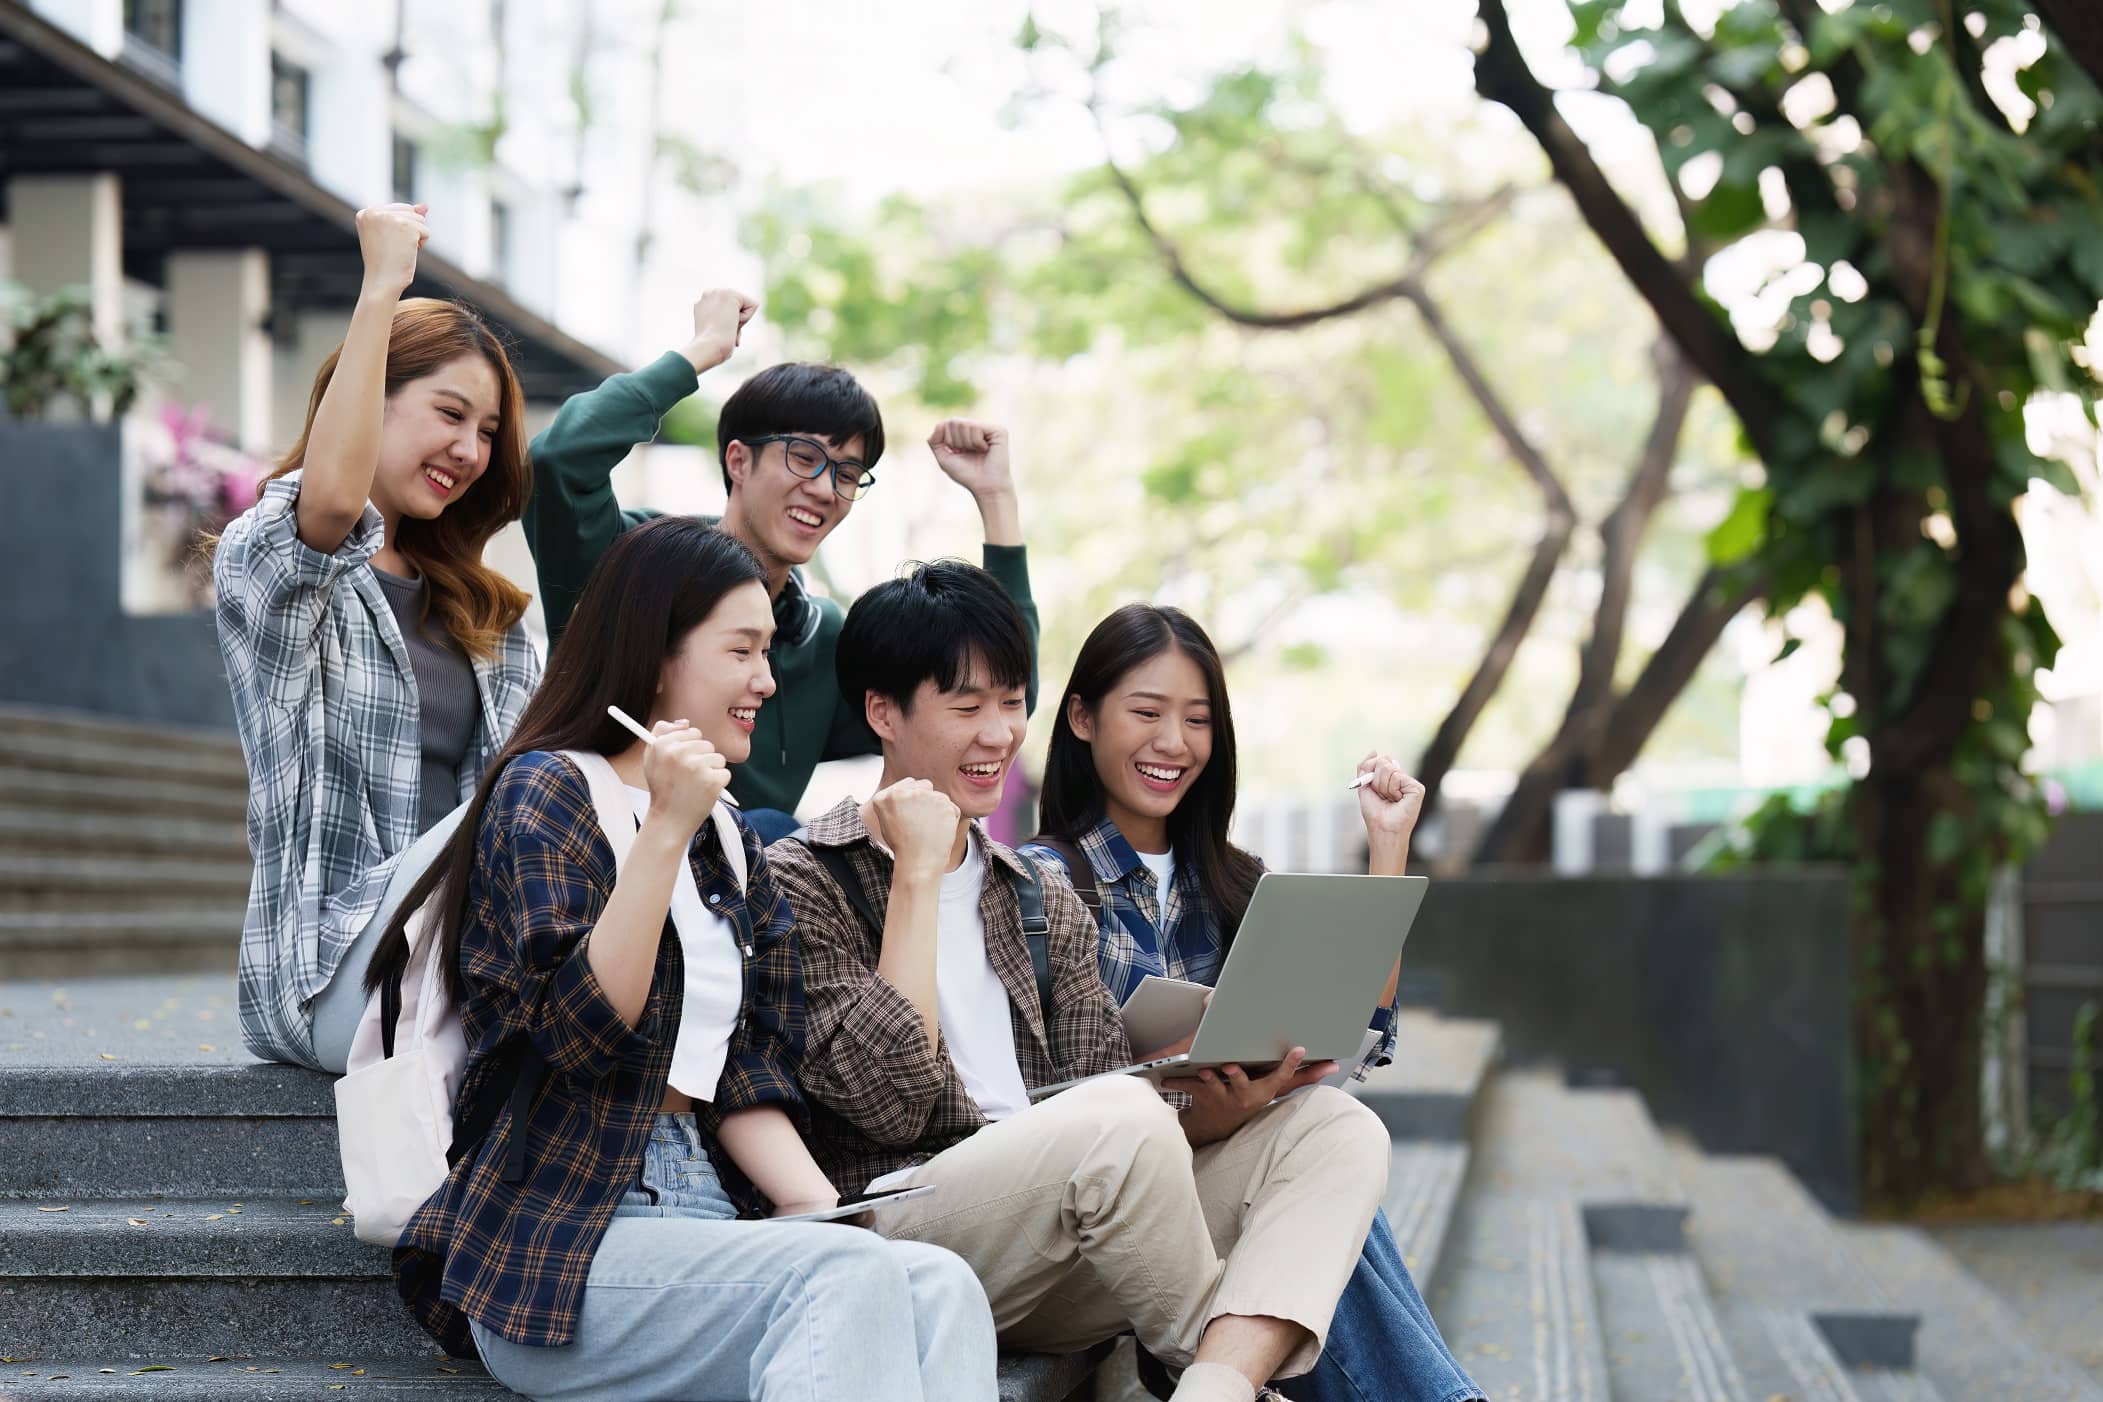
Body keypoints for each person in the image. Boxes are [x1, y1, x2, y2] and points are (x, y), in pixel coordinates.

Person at [366, 517, 997, 1401]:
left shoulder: (730, 836)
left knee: (938, 1284)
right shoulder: (547, 789)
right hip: (564, 1241)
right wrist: (662, 827)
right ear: (657, 655)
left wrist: (817, 1208)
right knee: (838, 1278)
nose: (765, 679)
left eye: (767, 651)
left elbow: (746, 1066)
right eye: (740, 651)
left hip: (706, 1208)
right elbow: (578, 1034)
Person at [766, 560, 1392, 1402]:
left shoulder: (1032, 890)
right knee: (1119, 1117)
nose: (998, 734)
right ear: (883, 712)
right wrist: (914, 875)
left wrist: (1221, 1103)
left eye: (1011, 703)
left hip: (1063, 1238)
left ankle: (1214, 1391)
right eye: (967, 708)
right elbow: (892, 1102)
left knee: (1334, 1128)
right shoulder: (801, 878)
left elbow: (1106, 1097)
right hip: (909, 1232)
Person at [1023, 604, 1484, 1402]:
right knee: (1317, 1165)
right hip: (1105, 1214)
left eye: (1197, 720)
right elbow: (1039, 1100)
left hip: (1227, 1174)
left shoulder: (1234, 882)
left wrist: (1387, 843)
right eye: (1147, 713)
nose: (1174, 743)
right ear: (1081, 718)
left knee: (1318, 1141)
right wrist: (1201, 1112)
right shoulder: (1038, 883)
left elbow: (1360, 1028)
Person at [212, 203, 540, 1071]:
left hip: (468, 954)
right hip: (333, 974)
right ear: (371, 399)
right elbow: (328, 503)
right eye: (449, 413)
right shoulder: (274, 565)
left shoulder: (490, 619)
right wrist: (382, 286)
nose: (469, 450)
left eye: (488, 433)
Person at [521, 291, 1039, 839]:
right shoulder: (631, 562)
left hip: (739, 881)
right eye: (804, 457)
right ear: (738, 460)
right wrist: (702, 351)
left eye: (846, 473)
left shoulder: (822, 640)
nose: (824, 489)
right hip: (580, 843)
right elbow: (561, 459)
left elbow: (997, 684)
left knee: (772, 831)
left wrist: (997, 499)